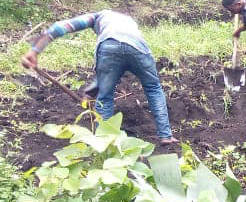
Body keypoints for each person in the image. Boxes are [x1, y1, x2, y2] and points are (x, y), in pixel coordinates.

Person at [20, 11, 178, 144]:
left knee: (105, 97)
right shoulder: (128, 22)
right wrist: (91, 91)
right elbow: (123, 55)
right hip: (138, 47)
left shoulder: (97, 16)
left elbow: (60, 27)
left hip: (109, 46)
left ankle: (104, 142)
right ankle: (166, 136)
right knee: (153, 88)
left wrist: (34, 51)